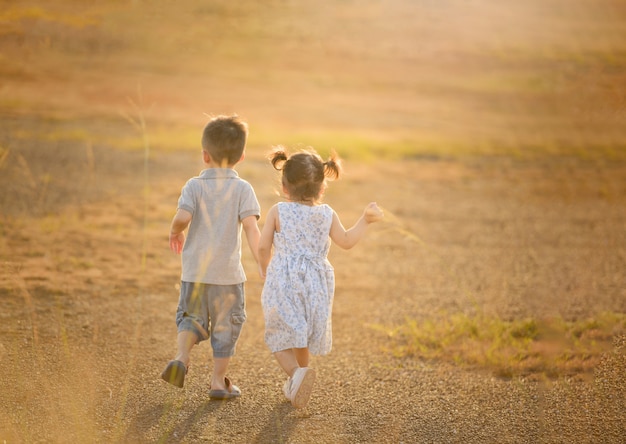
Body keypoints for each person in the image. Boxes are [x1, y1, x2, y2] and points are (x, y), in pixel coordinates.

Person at [258, 146, 383, 408]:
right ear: (322, 188)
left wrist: (264, 268)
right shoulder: (327, 214)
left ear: (284, 187)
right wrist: (365, 219)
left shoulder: (278, 211)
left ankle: (297, 375)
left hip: (284, 281)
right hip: (315, 284)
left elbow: (262, 246)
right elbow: (347, 241)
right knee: (300, 334)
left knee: (278, 335)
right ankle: (300, 380)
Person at [161, 115, 261, 400]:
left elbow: (182, 217)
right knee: (225, 326)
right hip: (227, 276)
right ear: (242, 157)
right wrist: (262, 261)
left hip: (195, 273)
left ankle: (181, 356)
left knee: (191, 317)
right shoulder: (243, 189)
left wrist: (175, 231)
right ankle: (218, 381)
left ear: (205, 155)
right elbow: (252, 229)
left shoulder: (194, 185)